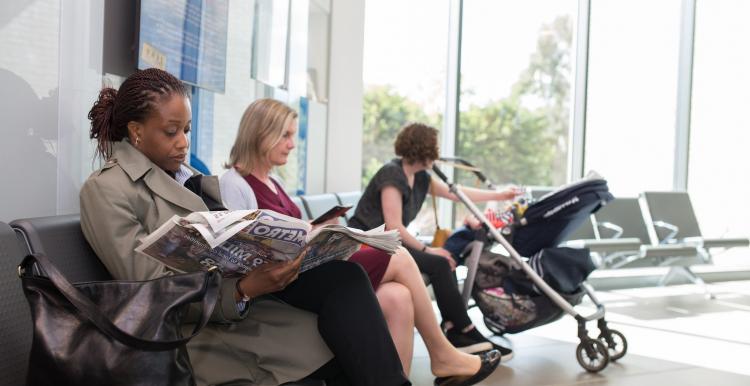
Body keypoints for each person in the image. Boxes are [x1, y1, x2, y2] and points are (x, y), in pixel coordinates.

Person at [80, 68, 411, 386]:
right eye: (171, 132)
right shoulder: (107, 190)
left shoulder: (183, 176)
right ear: (136, 131)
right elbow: (152, 291)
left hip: (240, 299)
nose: (183, 143)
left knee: (345, 278)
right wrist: (243, 290)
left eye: (187, 130)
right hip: (197, 330)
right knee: (344, 341)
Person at [220, 98, 502, 386]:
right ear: (260, 134)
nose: (292, 144)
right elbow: (242, 252)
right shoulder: (235, 183)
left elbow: (289, 231)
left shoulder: (272, 182)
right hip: (285, 282)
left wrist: (319, 229)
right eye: (286, 135)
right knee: (398, 255)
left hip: (307, 269)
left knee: (398, 297)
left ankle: (409, 374)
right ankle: (441, 353)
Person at [348, 122, 521, 358]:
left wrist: (500, 195)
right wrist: (428, 250)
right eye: (434, 145)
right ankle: (463, 330)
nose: (437, 151)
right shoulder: (392, 173)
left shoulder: (420, 178)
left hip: (390, 243)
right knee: (439, 261)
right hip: (369, 243)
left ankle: (455, 327)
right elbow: (393, 225)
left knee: (445, 259)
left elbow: (456, 193)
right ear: (424, 148)